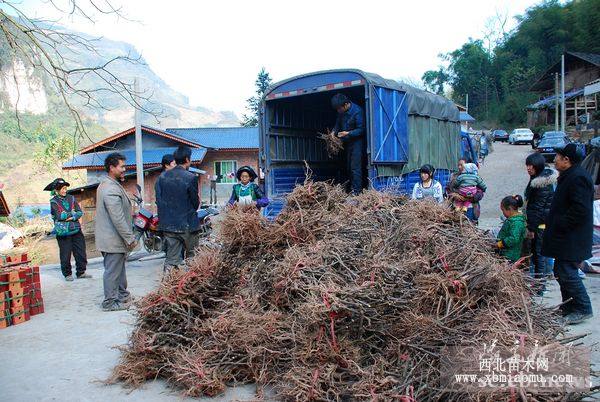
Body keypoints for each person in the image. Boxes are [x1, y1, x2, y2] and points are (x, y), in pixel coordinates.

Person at [542, 143, 593, 324]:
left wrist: (561, 223)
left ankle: (583, 307)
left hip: (573, 237)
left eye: (557, 156)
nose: (554, 159)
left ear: (567, 160)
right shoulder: (569, 176)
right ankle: (568, 306)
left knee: (567, 272)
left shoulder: (578, 178)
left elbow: (580, 209)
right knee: (560, 271)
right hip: (565, 236)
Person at [95, 153, 136, 311]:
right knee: (113, 271)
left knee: (119, 269)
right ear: (112, 168)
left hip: (113, 239)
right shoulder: (110, 188)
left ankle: (122, 295)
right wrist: (129, 238)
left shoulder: (110, 184)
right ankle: (110, 302)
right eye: (122, 167)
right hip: (112, 239)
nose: (124, 170)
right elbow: (117, 218)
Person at [155, 146, 201, 270]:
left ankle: (168, 286)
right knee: (192, 258)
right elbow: (195, 203)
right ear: (187, 159)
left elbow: (159, 201)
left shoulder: (162, 177)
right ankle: (191, 286)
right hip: (187, 226)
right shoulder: (190, 177)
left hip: (169, 226)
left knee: (171, 260)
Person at [46, 178, 90, 282]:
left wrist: (72, 216)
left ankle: (81, 272)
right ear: (57, 190)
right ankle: (67, 274)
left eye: (65, 188)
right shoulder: (53, 202)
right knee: (65, 254)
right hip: (63, 232)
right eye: (62, 188)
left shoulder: (71, 198)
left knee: (80, 251)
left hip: (76, 229)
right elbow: (59, 215)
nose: (65, 190)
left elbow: (79, 212)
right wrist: (72, 213)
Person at [524, 153, 557, 280]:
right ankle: (540, 281)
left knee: (538, 255)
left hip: (540, 224)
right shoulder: (537, 179)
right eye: (527, 165)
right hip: (539, 222)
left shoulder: (541, 184)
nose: (528, 168)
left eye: (531, 165)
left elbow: (537, 208)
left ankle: (540, 285)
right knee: (538, 254)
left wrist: (531, 228)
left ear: (538, 165)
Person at [331, 93, 365, 195]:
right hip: (347, 143)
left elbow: (362, 129)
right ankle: (349, 189)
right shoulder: (341, 112)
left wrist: (349, 133)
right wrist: (333, 132)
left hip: (357, 143)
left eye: (339, 109)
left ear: (346, 104)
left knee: (355, 167)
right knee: (348, 167)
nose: (338, 111)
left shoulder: (358, 111)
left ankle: (357, 192)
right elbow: (338, 123)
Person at [496, 195, 527, 263]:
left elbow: (513, 238)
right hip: (506, 253)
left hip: (511, 255)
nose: (503, 213)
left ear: (510, 209)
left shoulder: (516, 222)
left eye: (503, 210)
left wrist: (500, 244)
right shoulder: (512, 220)